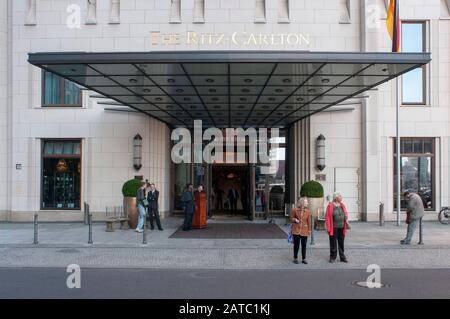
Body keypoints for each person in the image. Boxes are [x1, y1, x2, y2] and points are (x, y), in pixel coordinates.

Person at [325, 191, 349, 263]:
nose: (341, 197)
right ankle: (332, 257)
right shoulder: (330, 206)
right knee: (333, 243)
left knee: (341, 242)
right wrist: (328, 228)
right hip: (333, 228)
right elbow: (327, 217)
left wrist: (346, 217)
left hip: (342, 227)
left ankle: (342, 257)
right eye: (340, 196)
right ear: (336, 197)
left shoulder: (342, 205)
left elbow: (345, 213)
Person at [290, 197, 311, 264]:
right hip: (296, 230)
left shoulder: (307, 211)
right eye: (306, 202)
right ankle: (295, 258)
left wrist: (309, 230)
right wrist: (295, 220)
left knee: (304, 245)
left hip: (304, 230)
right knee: (296, 245)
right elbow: (291, 218)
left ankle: (304, 258)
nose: (307, 203)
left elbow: (309, 222)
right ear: (302, 203)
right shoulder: (294, 210)